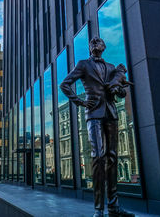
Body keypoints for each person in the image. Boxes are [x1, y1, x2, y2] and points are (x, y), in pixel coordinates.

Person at [60, 37, 135, 217]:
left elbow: (121, 92)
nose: (95, 42)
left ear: (103, 47)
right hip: (93, 114)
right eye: (92, 42)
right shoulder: (84, 64)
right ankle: (98, 209)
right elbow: (64, 84)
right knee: (98, 157)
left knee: (112, 157)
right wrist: (80, 102)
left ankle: (114, 207)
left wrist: (118, 88)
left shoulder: (111, 67)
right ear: (90, 48)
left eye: (98, 41)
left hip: (111, 114)